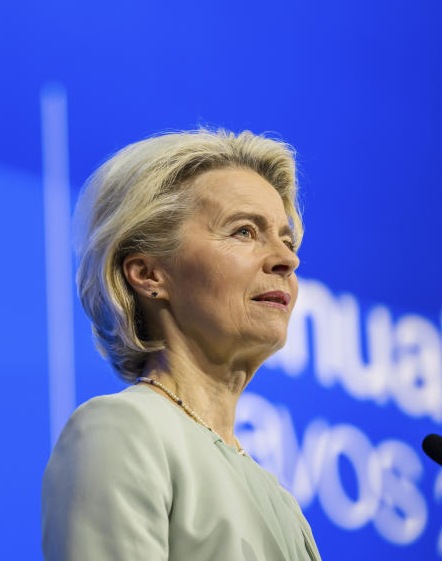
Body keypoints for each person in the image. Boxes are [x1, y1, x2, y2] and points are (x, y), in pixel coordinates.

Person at [42, 128, 322, 560]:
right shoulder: (126, 429)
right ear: (149, 274)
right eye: (244, 232)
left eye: (286, 240)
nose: (287, 260)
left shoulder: (282, 502)